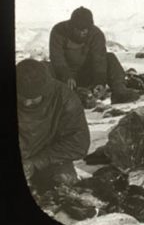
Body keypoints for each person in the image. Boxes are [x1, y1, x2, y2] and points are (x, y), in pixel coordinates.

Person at [17, 58, 91, 194]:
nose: (27, 103)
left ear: (45, 91)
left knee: (64, 188)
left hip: (49, 158)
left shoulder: (64, 97)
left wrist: (36, 163)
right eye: (22, 97)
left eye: (33, 99)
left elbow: (79, 143)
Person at [49, 7, 139, 104]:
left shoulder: (96, 34)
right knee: (44, 67)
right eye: (79, 29)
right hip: (65, 77)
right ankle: (53, 97)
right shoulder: (58, 31)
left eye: (86, 29)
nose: (83, 32)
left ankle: (119, 91)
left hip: (88, 74)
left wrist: (100, 81)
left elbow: (99, 60)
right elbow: (56, 57)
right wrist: (65, 75)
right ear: (72, 26)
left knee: (110, 58)